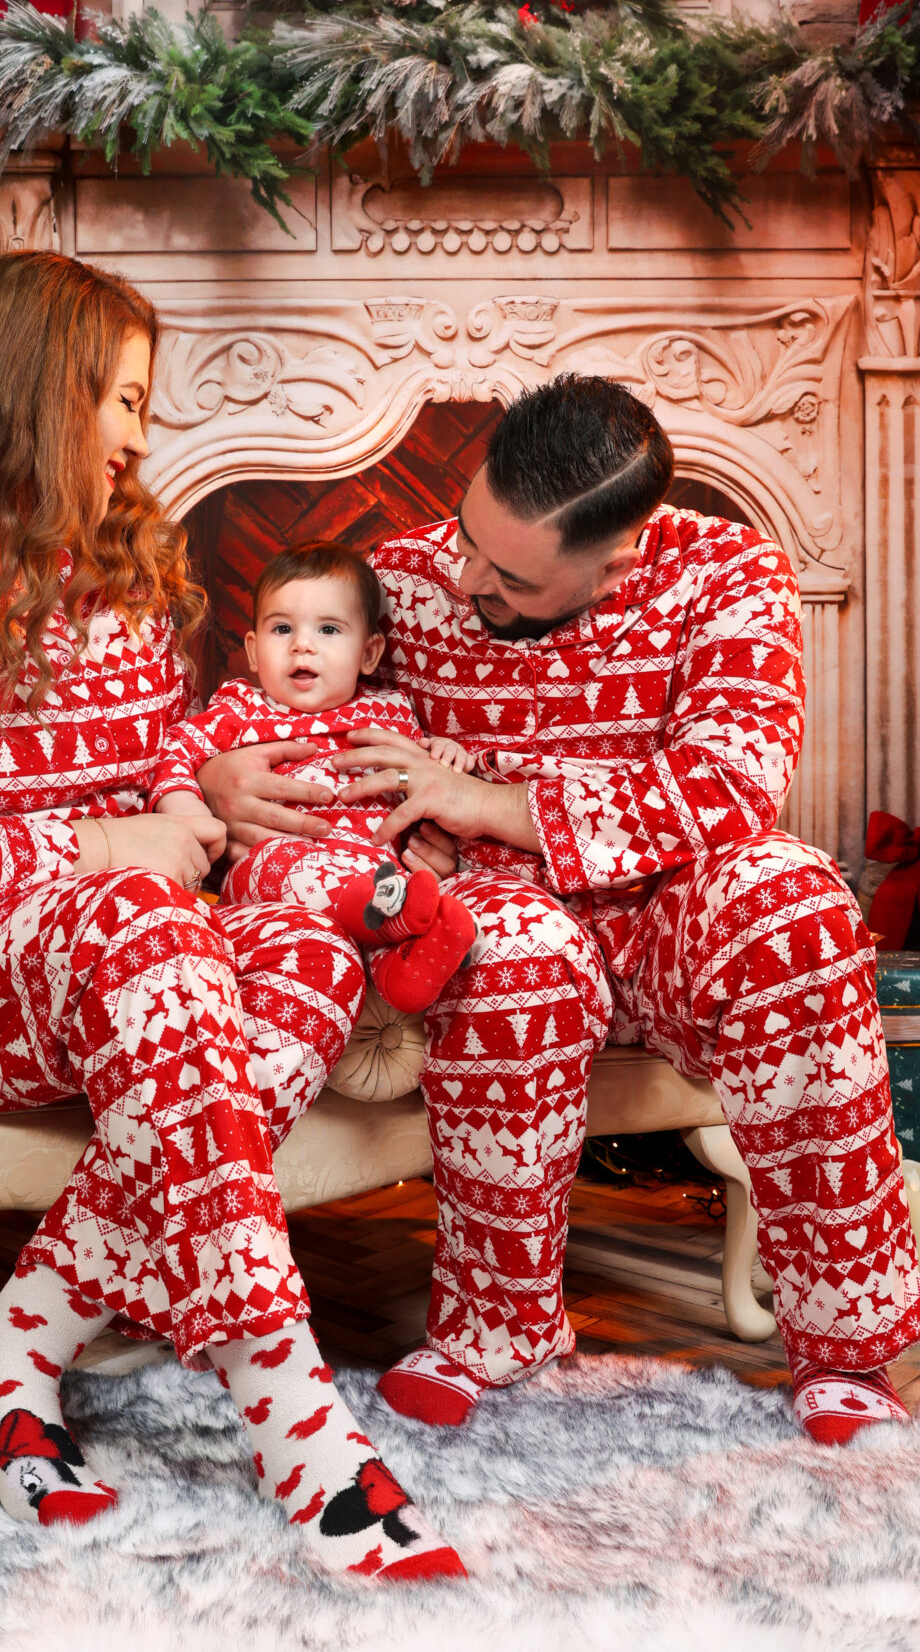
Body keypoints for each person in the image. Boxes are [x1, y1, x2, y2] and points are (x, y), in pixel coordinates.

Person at [0, 253, 465, 1582]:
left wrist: (201, 792)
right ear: (21, 389)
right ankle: (291, 1411)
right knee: (142, 913)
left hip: (132, 956)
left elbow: (152, 787)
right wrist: (112, 845)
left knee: (300, 939)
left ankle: (8, 1365)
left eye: (143, 403)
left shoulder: (112, 570)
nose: (138, 434)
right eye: (117, 399)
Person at [197, 374, 919, 1446]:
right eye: (468, 535)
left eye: (507, 573)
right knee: (504, 948)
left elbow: (726, 788)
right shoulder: (400, 575)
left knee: (797, 906)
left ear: (617, 555)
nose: (464, 573)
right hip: (492, 901)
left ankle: (850, 1347)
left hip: (678, 905)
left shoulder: (730, 574)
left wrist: (490, 799)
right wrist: (217, 786)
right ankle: (502, 1328)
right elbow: (287, 716)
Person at [149, 539, 477, 1014]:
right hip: (269, 870)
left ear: (368, 654)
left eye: (327, 629)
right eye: (282, 628)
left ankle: (399, 972)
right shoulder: (240, 707)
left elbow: (423, 772)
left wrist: (444, 753)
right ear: (255, 650)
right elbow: (173, 753)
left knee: (396, 888)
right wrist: (186, 808)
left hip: (377, 870)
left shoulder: (390, 710)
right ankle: (389, 915)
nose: (302, 643)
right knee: (286, 863)